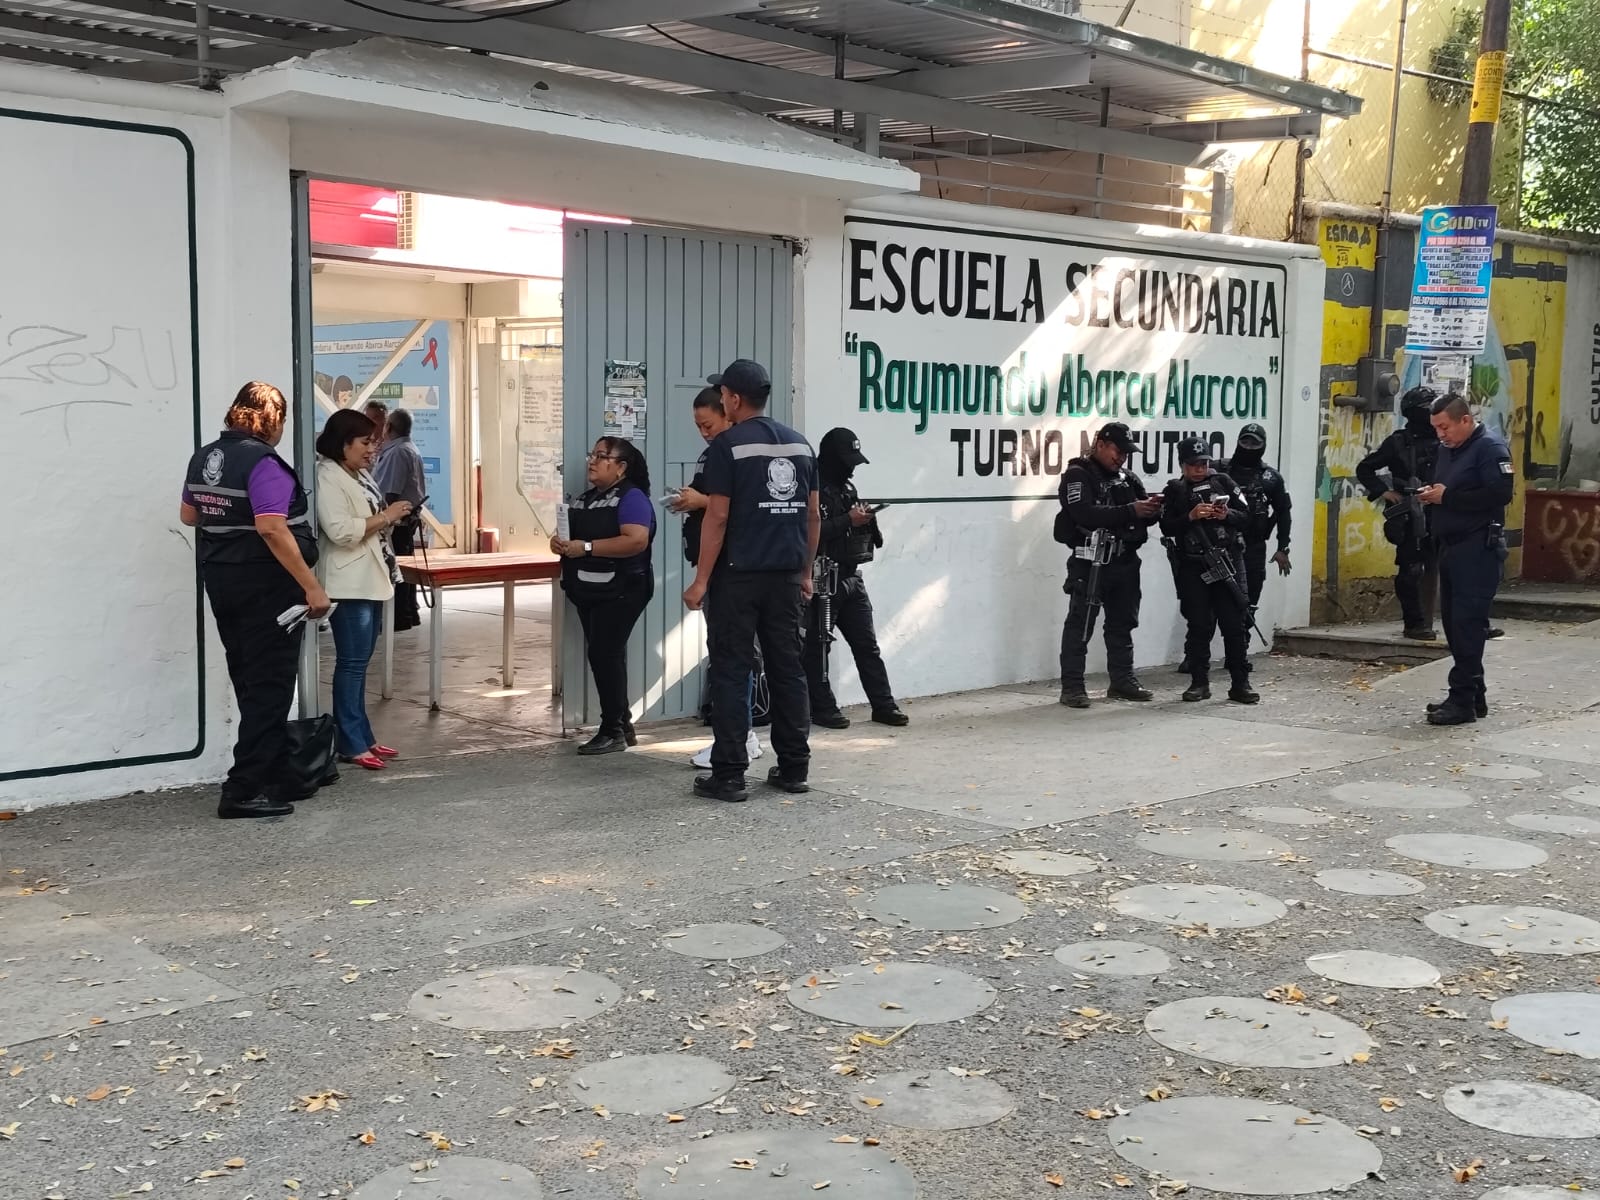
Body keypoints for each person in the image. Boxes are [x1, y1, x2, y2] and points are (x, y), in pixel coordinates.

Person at [181, 381, 328, 820]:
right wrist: (312, 587)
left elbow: (189, 515)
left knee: (250, 679)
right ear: (274, 420)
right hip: (268, 588)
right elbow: (271, 528)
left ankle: (275, 771)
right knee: (270, 686)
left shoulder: (205, 455)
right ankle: (243, 789)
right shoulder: (263, 461)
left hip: (223, 582)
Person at [683, 358, 818, 803]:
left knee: (731, 668)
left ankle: (730, 774)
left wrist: (701, 580)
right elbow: (812, 514)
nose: (721, 399)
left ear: (734, 399)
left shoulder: (728, 446)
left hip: (738, 579)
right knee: (787, 669)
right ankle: (794, 767)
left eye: (722, 394)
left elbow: (717, 517)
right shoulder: (800, 446)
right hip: (783, 576)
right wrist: (804, 571)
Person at [315, 409, 413, 771]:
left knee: (360, 664)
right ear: (344, 444)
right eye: (366, 442)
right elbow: (340, 531)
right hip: (348, 582)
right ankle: (351, 741)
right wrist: (387, 517)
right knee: (352, 665)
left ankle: (362, 736)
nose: (374, 448)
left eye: (375, 441)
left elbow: (368, 519)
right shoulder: (328, 476)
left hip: (370, 578)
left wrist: (390, 516)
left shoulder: (355, 474)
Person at [672, 386, 763, 769]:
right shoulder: (715, 453)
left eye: (708, 423)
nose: (704, 432)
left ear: (729, 411)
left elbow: (743, 507)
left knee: (733, 658)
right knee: (726, 656)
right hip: (716, 567)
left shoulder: (737, 454)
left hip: (732, 572)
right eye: (698, 426)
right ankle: (737, 735)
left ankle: (739, 739)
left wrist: (701, 501)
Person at [551, 437, 656, 754]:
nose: (592, 461)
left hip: (623, 589)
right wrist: (558, 543)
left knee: (603, 654)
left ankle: (612, 730)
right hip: (589, 588)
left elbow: (636, 541)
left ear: (621, 467)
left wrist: (585, 548)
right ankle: (621, 722)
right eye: (592, 455)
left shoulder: (632, 498)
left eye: (601, 456)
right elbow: (567, 535)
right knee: (607, 654)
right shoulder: (585, 499)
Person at [1420, 393, 1514, 725]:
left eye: (1444, 427)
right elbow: (1450, 488)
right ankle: (1475, 696)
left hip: (1478, 549)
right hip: (1451, 547)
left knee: (1468, 625)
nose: (1440, 434)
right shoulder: (1449, 449)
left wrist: (1449, 496)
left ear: (1464, 420)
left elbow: (1500, 493)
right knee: (1454, 625)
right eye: (1436, 428)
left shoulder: (1490, 448)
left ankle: (1461, 700)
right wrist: (1434, 494)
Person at [805, 428, 908, 729]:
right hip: (825, 577)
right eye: (847, 460)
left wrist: (866, 519)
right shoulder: (813, 490)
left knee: (867, 646)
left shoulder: (847, 488)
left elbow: (870, 537)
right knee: (818, 646)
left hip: (851, 578)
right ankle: (823, 708)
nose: (851, 467)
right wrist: (847, 520)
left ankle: (883, 705)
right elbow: (812, 532)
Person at [1055, 422, 1162, 708]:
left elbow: (1142, 513)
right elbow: (1083, 512)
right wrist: (1131, 510)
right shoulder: (1078, 475)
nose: (1122, 458)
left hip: (1125, 561)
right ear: (1101, 444)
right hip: (1092, 562)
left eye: (1126, 453)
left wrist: (1151, 509)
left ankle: (1122, 681)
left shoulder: (1128, 478)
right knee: (1081, 624)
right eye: (1118, 451)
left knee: (1123, 623)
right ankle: (1073, 687)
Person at [1160, 437, 1258, 705]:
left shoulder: (1223, 482)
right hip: (1194, 565)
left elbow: (1247, 517)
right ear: (1182, 465)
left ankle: (1240, 684)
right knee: (1199, 626)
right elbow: (1166, 526)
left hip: (1226, 562)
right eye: (1193, 465)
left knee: (1233, 625)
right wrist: (1191, 517)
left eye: (1203, 463)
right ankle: (1199, 683)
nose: (1199, 469)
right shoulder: (1175, 491)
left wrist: (1224, 515)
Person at [1356, 386, 1441, 640]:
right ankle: (1414, 623)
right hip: (1410, 513)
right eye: (1426, 410)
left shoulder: (1445, 438)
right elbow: (1365, 469)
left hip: (1441, 510)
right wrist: (1386, 492)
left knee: (1454, 566)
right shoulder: (1399, 442)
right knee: (1410, 570)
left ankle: (1466, 621)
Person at [1217, 422, 1292, 610]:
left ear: (1263, 446)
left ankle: (1243, 639)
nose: (1249, 448)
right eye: (1245, 442)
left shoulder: (1271, 478)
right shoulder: (1218, 470)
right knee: (1210, 610)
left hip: (1253, 548)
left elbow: (1283, 512)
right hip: (1219, 546)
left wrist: (1283, 547)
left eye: (1254, 444)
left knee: (1247, 607)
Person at [373, 408, 428, 632]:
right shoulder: (409, 448)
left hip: (397, 519)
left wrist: (381, 518)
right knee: (404, 566)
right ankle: (408, 612)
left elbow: (390, 491)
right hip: (408, 516)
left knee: (397, 568)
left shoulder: (397, 453)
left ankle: (398, 616)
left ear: (389, 427)